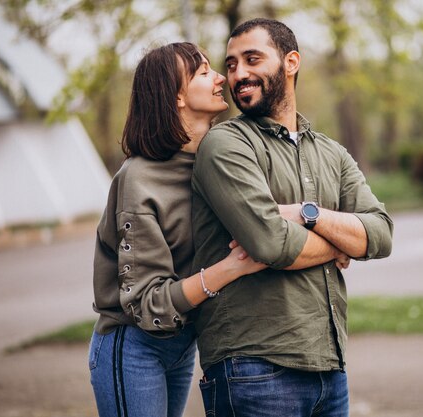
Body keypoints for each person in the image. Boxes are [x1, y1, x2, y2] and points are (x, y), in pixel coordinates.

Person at [191, 18, 394, 417]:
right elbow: (271, 244)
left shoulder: (330, 152)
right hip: (252, 369)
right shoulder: (226, 144)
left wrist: (307, 214)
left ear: (290, 62)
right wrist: (342, 241)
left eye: (252, 59)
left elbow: (382, 234)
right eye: (231, 65)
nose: (238, 74)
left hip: (329, 369)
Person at [88, 42, 265, 417]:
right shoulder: (139, 179)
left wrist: (323, 237)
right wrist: (233, 267)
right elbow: (147, 304)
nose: (222, 78)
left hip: (184, 341)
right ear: (177, 96)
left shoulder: (217, 162)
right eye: (204, 72)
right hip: (134, 345)